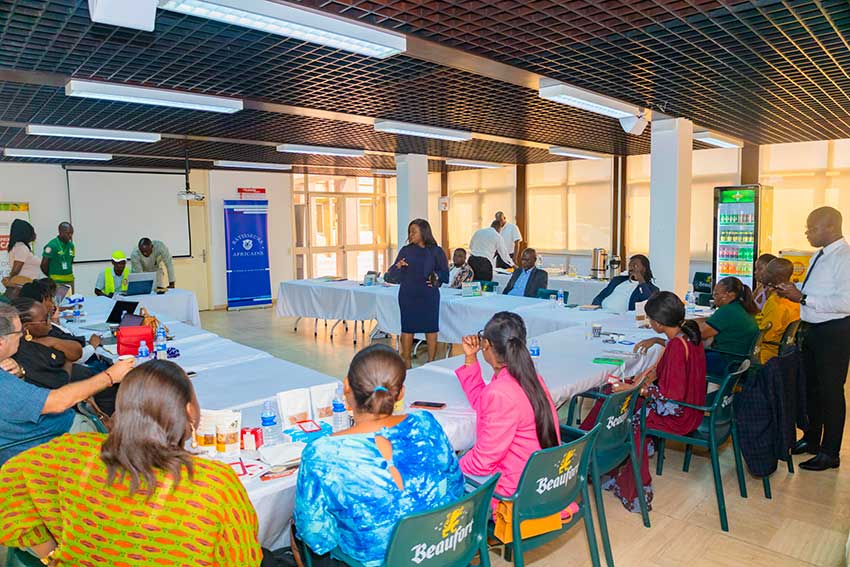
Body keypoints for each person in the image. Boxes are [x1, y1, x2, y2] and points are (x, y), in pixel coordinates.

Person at [0, 359, 262, 566]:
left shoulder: (71, 453)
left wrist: (50, 555)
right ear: (189, 411)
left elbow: (10, 479)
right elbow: (242, 560)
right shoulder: (214, 484)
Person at [294, 345, 464, 566]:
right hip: (441, 549)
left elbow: (317, 537)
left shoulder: (322, 453)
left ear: (346, 385)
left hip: (375, 561)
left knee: (297, 530)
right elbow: (456, 485)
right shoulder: (425, 423)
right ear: (401, 392)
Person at [587, 292, 706, 512]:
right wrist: (657, 341)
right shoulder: (689, 334)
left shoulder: (677, 347)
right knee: (616, 398)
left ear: (659, 323)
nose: (649, 323)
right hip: (693, 407)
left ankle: (626, 481)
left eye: (650, 319)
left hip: (681, 415)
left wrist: (635, 389)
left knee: (627, 415)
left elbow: (671, 397)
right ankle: (595, 458)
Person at [0, 303, 135, 465]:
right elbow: (56, 402)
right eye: (19, 332)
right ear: (1, 342)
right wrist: (110, 376)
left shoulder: (6, 369)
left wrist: (20, 373)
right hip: (57, 440)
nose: (23, 336)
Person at [776, 206, 850, 471]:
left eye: (812, 227)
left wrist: (804, 297)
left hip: (834, 333)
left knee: (830, 392)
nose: (807, 232)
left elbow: (846, 302)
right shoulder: (820, 255)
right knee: (812, 389)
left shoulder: (845, 257)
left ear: (831, 227)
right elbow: (816, 293)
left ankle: (830, 453)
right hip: (812, 330)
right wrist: (794, 292)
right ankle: (811, 439)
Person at [456, 312, 560, 500]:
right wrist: (470, 360)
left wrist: (452, 466)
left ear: (485, 344)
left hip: (517, 491)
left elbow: (483, 462)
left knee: (441, 480)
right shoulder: (530, 378)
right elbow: (483, 402)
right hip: (541, 477)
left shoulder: (501, 392)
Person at [383, 219, 449, 367]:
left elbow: (444, 273)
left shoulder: (436, 251)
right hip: (408, 295)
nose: (410, 234)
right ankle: (407, 362)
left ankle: (431, 362)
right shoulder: (406, 250)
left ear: (424, 232)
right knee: (407, 327)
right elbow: (391, 276)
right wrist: (398, 266)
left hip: (429, 295)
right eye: (409, 231)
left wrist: (436, 277)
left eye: (414, 231)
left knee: (431, 328)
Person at [698, 276, 759, 377]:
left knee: (684, 359)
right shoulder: (741, 307)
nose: (714, 297)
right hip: (741, 360)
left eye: (716, 294)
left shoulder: (728, 311)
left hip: (729, 362)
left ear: (729, 295)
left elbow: (700, 333)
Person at [755, 258, 800, 364]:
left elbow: (765, 335)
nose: (764, 273)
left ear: (777, 278)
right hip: (783, 353)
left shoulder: (777, 302)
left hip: (765, 353)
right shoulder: (795, 297)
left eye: (768, 271)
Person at [592, 254, 659, 312]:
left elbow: (647, 303)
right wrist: (595, 308)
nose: (631, 268)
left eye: (635, 266)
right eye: (629, 266)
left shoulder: (652, 289)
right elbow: (600, 297)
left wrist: (641, 280)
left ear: (644, 269)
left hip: (620, 318)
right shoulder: (618, 280)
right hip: (601, 312)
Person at [3, 219, 45, 285]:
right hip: (25, 285)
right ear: (25, 233)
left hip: (26, 284)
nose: (34, 234)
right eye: (31, 231)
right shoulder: (21, 247)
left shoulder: (18, 246)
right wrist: (9, 279)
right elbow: (16, 269)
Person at [40, 222, 75, 290]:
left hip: (70, 281)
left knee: (71, 300)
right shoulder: (51, 245)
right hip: (56, 282)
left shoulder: (71, 246)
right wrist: (51, 276)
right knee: (58, 300)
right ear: (61, 232)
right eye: (68, 233)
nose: (70, 236)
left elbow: (70, 261)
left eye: (72, 233)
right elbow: (43, 265)